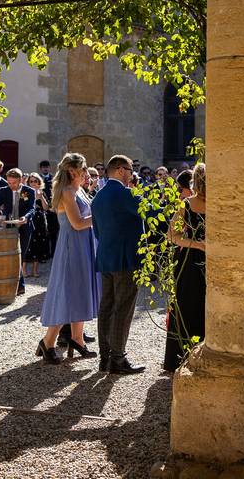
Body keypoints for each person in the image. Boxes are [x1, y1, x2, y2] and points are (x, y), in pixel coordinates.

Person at [37, 153, 100, 364]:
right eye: (83, 170)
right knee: (66, 291)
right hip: (71, 246)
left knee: (80, 290)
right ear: (73, 171)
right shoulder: (66, 192)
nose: (86, 174)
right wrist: (100, 215)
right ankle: (48, 342)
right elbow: (78, 223)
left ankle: (77, 338)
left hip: (84, 245)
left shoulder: (79, 190)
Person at [91, 155, 147, 374]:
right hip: (126, 258)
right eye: (131, 170)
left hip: (106, 257)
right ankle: (118, 358)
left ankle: (105, 357)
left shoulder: (98, 197)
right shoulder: (125, 193)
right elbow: (150, 211)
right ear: (121, 170)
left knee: (107, 307)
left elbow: (97, 231)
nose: (132, 174)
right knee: (123, 308)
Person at [163, 163, 207, 373]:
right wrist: (199, 244)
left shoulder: (190, 204)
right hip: (192, 260)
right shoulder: (186, 205)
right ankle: (185, 356)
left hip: (196, 259)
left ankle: (187, 356)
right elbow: (172, 236)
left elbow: (173, 236)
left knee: (196, 305)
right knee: (189, 304)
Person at [0, 168, 36, 295]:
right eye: (9, 182)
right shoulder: (4, 190)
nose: (11, 185)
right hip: (8, 227)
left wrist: (25, 217)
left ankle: (17, 284)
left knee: (21, 255)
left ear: (21, 180)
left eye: (14, 183)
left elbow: (32, 209)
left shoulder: (29, 191)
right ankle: (18, 285)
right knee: (11, 255)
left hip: (25, 227)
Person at [24, 173, 51, 278]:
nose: (34, 183)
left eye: (36, 181)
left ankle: (35, 270)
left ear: (39, 183)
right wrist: (34, 198)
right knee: (28, 244)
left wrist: (41, 197)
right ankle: (24, 270)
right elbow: (26, 206)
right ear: (28, 182)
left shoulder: (42, 192)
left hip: (40, 220)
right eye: (31, 181)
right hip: (30, 219)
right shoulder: (25, 193)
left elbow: (46, 208)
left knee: (38, 244)